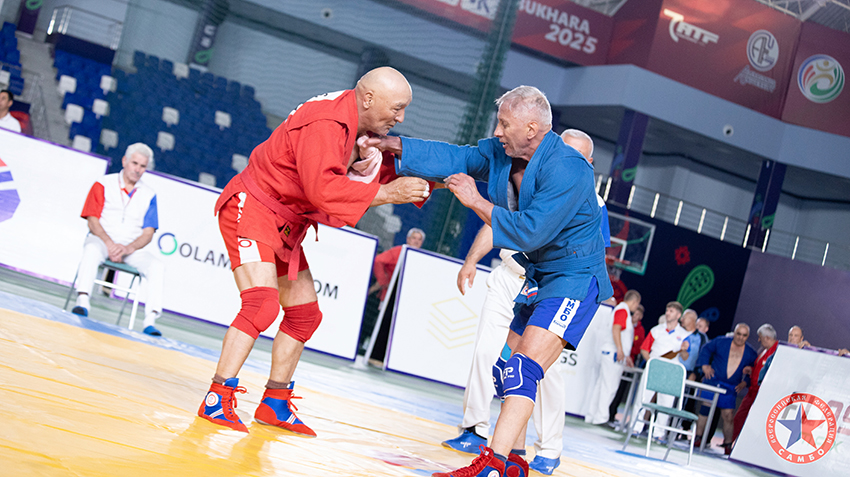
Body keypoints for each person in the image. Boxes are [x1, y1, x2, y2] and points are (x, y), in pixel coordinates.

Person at [370, 85, 612, 477]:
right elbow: (458, 157)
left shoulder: (569, 168)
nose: (497, 131)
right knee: (504, 369)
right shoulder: (504, 153)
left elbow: (529, 232)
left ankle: (493, 464)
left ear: (531, 128)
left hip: (574, 279)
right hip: (538, 277)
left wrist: (475, 200)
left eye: (504, 123)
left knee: (524, 370)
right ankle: (515, 462)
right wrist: (394, 145)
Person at [196, 67, 430, 436]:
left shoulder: (361, 124)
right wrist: (388, 194)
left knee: (305, 315)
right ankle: (216, 396)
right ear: (369, 99)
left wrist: (452, 179)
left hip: (285, 220)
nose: (401, 118)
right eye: (397, 108)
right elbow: (323, 190)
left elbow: (386, 171)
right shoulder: (327, 122)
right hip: (254, 207)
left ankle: (274, 402)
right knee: (261, 305)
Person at [441, 127, 602, 476]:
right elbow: (499, 222)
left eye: (574, 155)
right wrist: (472, 259)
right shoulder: (531, 178)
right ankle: (512, 458)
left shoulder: (592, 201)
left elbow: (582, 253)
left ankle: (538, 451)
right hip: (526, 281)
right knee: (504, 368)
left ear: (588, 163)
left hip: (564, 285)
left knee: (532, 373)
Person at [73, 143, 164, 336]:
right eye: (134, 163)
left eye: (142, 166)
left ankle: (150, 320)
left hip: (130, 249)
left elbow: (148, 233)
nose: (137, 169)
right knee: (91, 250)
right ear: (124, 161)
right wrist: (109, 244)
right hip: (102, 240)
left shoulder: (149, 194)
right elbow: (92, 220)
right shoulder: (103, 183)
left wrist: (128, 248)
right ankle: (83, 301)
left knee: (156, 265)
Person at [693, 323, 757, 453]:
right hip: (713, 381)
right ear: (734, 333)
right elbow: (706, 349)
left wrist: (745, 382)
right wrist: (704, 365)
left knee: (728, 415)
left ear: (747, 336)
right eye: (738, 334)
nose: (740, 337)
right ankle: (697, 438)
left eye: (744, 335)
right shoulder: (721, 342)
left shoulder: (750, 353)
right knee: (705, 409)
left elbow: (755, 369)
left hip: (730, 387)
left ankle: (728, 444)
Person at [632, 301, 689, 438]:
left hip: (670, 372)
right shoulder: (656, 330)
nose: (668, 313)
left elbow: (686, 357)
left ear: (678, 315)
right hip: (653, 369)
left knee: (666, 403)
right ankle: (635, 427)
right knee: (643, 398)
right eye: (667, 310)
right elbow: (644, 349)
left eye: (671, 311)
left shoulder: (684, 335)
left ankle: (659, 433)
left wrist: (684, 350)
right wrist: (651, 362)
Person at [584, 290, 641, 425]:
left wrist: (625, 353)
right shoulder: (623, 310)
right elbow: (616, 328)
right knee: (609, 387)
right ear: (634, 302)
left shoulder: (622, 310)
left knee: (602, 385)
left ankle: (592, 415)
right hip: (614, 354)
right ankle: (601, 417)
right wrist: (620, 349)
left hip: (611, 352)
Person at [730, 324, 777, 446]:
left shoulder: (777, 352)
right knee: (740, 417)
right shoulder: (764, 351)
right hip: (753, 391)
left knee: (752, 421)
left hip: (761, 393)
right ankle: (730, 443)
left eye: (760, 337)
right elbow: (761, 370)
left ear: (767, 338)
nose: (759, 340)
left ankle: (741, 445)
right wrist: (752, 370)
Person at [607, 303, 645, 424]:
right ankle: (604, 415)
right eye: (635, 313)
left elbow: (638, 348)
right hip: (618, 357)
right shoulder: (625, 319)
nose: (635, 316)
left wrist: (628, 353)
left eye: (638, 314)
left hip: (628, 363)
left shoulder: (640, 330)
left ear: (641, 316)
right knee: (609, 387)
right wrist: (622, 350)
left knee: (619, 389)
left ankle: (611, 414)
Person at [369, 227, 425, 300]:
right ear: (408, 239)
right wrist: (383, 280)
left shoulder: (422, 258)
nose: (416, 241)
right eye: (414, 238)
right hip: (389, 293)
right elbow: (378, 260)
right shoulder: (398, 251)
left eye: (419, 239)